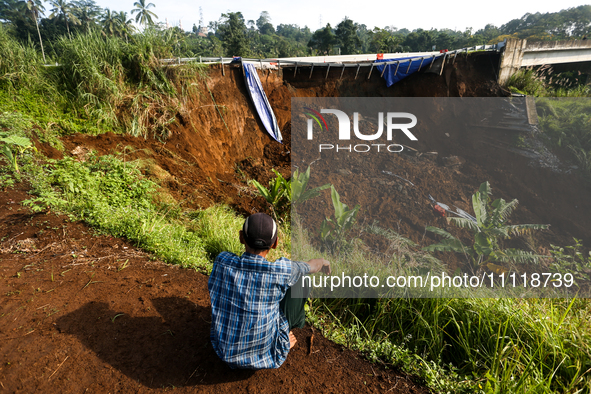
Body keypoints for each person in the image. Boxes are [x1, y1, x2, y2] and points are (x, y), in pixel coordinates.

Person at [208, 212, 331, 370]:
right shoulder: (281, 271)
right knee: (302, 278)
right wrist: (324, 261)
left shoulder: (222, 261)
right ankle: (285, 336)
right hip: (268, 356)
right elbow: (312, 266)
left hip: (223, 351)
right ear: (275, 243)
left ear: (241, 237)